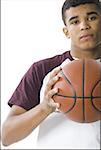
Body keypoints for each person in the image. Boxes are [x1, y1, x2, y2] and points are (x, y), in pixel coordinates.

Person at [2, 0, 101, 149]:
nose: (84, 26)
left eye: (92, 18)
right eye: (74, 21)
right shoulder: (43, 69)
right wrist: (45, 108)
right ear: (66, 31)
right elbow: (6, 136)